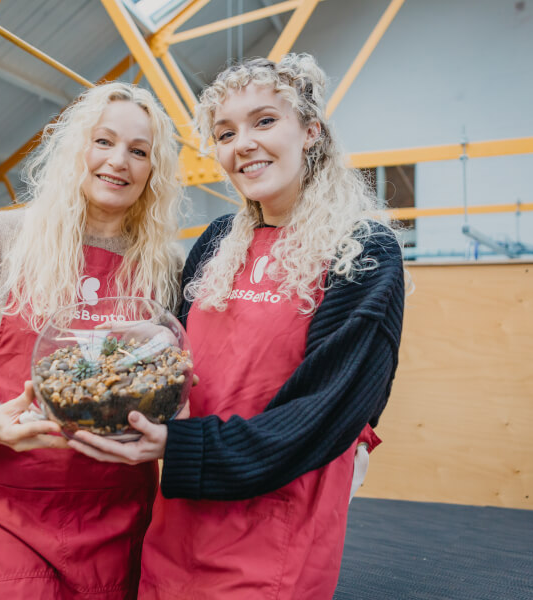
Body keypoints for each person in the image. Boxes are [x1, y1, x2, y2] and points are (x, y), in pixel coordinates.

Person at [70, 54, 405, 599]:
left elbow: (325, 411)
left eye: (265, 121)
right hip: (180, 516)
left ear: (311, 130)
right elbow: (178, 355)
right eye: (225, 133)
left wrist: (178, 449)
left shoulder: (363, 250)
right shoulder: (218, 240)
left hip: (276, 523)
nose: (242, 143)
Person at [0, 81, 184, 600]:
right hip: (6, 498)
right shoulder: (3, 239)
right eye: (103, 142)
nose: (118, 161)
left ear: (154, 171)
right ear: (76, 147)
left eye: (139, 151)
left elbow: (182, 373)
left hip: (118, 501)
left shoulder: (164, 266)